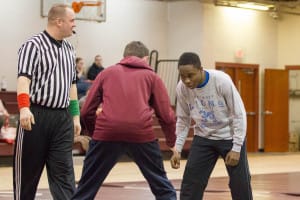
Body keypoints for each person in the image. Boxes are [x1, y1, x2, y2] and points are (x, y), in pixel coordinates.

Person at [72, 41, 177, 200]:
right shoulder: (152, 77)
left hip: (107, 133)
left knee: (86, 188)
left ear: (124, 57)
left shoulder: (106, 73)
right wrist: (171, 142)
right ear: (146, 58)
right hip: (141, 134)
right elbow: (166, 115)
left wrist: (95, 135)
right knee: (162, 186)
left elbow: (86, 110)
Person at [13, 4, 81, 200]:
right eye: (72, 20)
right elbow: (23, 79)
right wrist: (24, 108)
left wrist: (75, 116)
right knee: (27, 177)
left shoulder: (69, 49)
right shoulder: (32, 45)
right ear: (59, 22)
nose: (74, 25)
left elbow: (72, 86)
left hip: (62, 119)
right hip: (36, 116)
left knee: (65, 177)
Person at [170, 52, 253, 200]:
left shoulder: (221, 81)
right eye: (183, 76)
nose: (187, 80)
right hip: (203, 137)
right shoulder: (182, 88)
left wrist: (236, 147)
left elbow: (239, 114)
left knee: (240, 185)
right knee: (191, 184)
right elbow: (183, 120)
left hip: (229, 137)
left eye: (191, 75)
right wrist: (177, 148)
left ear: (201, 69)